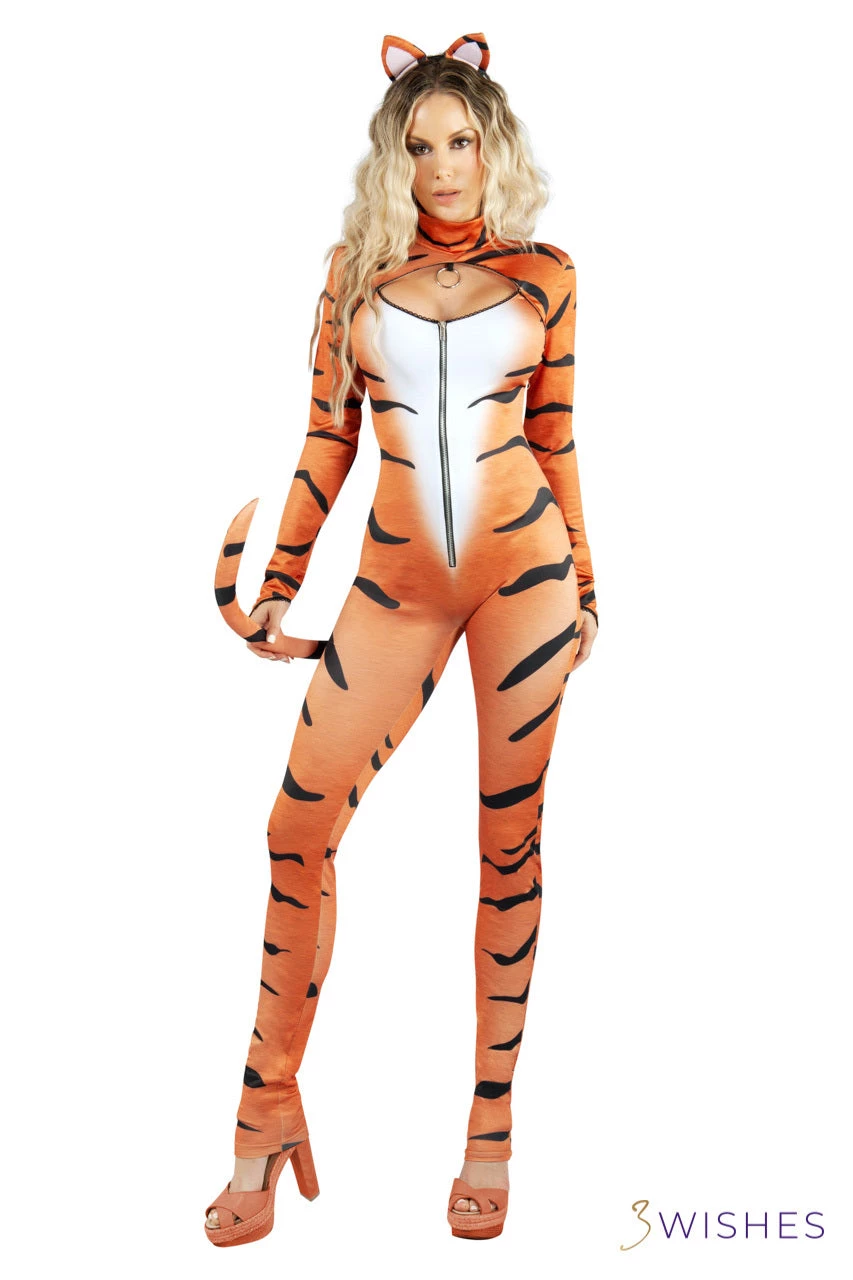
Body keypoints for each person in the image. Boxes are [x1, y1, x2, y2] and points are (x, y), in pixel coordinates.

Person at [204, 31, 599, 1245]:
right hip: (395, 584)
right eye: (419, 145)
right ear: (394, 158)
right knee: (295, 828)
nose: (443, 167)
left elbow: (557, 434)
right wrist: (277, 579)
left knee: (507, 846)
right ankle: (264, 1108)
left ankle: (490, 1133)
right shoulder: (353, 275)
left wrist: (588, 583)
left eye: (462, 141)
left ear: (494, 148)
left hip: (525, 579)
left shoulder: (547, 275)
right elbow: (327, 439)